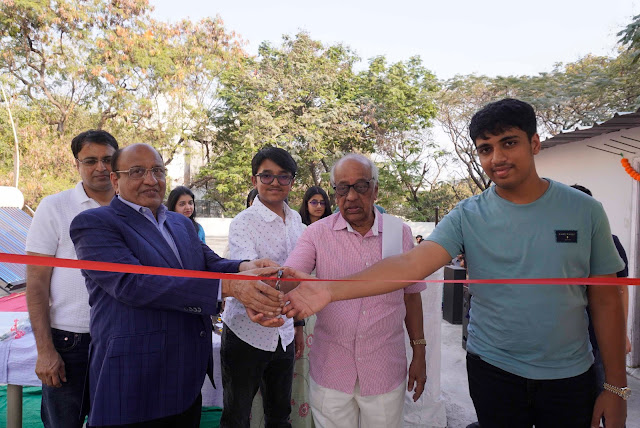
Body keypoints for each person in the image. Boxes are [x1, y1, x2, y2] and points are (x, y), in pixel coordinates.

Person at [282, 99, 629, 428]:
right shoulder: (467, 214)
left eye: (509, 143)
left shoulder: (584, 211)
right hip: (493, 369)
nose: (497, 158)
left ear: (534, 143)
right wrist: (323, 288)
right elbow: (411, 266)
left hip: (569, 374)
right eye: (486, 149)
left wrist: (616, 386)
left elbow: (606, 300)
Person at [69, 143, 284, 427]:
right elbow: (133, 284)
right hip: (134, 379)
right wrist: (231, 287)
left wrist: (247, 268)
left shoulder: (180, 223)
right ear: (115, 180)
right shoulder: (95, 223)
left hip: (185, 378)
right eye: (137, 172)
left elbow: (208, 262)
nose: (151, 180)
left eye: (157, 171)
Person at [283, 154, 426, 428]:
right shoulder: (316, 234)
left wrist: (419, 353)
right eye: (342, 188)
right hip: (331, 371)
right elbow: (290, 275)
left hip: (384, 369)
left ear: (375, 190)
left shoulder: (399, 233)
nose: (350, 196)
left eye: (360, 186)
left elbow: (411, 295)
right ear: (335, 192)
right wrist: (267, 284)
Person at [25, 130, 119, 428]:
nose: (101, 167)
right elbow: (36, 283)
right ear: (76, 164)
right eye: (90, 161)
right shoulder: (54, 207)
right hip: (69, 342)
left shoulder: (133, 207)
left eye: (108, 159)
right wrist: (45, 351)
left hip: (121, 339)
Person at [220, 147, 306, 428]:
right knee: (237, 416)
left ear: (292, 181)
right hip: (246, 332)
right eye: (266, 175)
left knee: (279, 415)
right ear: (254, 179)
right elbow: (255, 279)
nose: (275, 183)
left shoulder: (298, 223)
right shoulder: (242, 223)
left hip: (284, 332)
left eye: (283, 176)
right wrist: (297, 277)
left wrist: (298, 324)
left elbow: (300, 276)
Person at [570, 184, 632, 396]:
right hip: (566, 342)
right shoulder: (556, 246)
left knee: (609, 393)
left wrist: (621, 335)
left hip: (600, 338)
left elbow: (621, 290)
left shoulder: (610, 242)